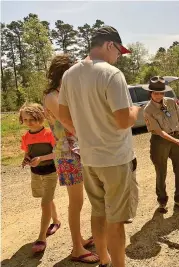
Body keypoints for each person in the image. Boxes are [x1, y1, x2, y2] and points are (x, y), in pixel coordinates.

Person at [58, 25, 140, 267]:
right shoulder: (112, 74)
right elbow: (124, 120)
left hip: (89, 158)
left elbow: (63, 116)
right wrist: (136, 111)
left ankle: (103, 258)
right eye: (119, 52)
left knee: (98, 211)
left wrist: (85, 134)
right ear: (109, 45)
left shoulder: (69, 75)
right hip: (115, 158)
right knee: (116, 220)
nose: (119, 57)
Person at [43, 55, 99, 264]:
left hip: (76, 151)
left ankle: (80, 240)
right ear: (64, 73)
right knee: (76, 202)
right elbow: (70, 123)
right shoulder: (51, 96)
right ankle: (76, 248)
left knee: (79, 201)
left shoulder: (65, 93)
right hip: (67, 154)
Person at [143, 76, 179, 214]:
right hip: (160, 141)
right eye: (155, 93)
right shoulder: (148, 109)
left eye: (161, 92)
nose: (158, 95)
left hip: (176, 136)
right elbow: (159, 132)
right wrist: (178, 142)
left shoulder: (170, 102)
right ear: (150, 93)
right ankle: (162, 202)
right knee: (161, 172)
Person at [19, 103, 60, 254]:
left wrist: (42, 158)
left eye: (33, 119)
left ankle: (42, 237)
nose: (29, 123)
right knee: (46, 199)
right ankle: (56, 221)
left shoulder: (49, 134)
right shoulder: (25, 137)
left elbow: (57, 152)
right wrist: (26, 160)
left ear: (41, 118)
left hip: (50, 172)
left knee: (45, 204)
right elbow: (27, 153)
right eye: (25, 119)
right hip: (35, 172)